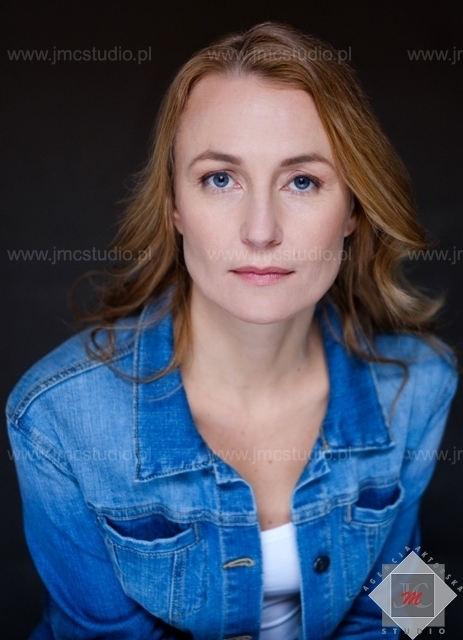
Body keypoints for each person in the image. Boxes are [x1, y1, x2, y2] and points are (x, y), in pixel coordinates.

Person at [6, 21, 459, 640]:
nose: (260, 231)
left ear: (353, 208)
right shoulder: (58, 417)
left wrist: (413, 615)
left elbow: (406, 611)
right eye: (220, 178)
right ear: (174, 206)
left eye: (303, 181)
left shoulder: (422, 383)